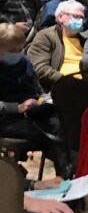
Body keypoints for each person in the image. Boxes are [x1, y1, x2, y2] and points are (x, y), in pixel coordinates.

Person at [0, 24, 69, 175]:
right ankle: (17, 174)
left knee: (61, 124)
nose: (18, 53)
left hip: (32, 112)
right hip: (6, 118)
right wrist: (17, 107)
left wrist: (44, 98)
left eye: (20, 49)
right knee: (49, 136)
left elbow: (36, 89)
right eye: (12, 51)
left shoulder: (24, 62)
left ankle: (65, 174)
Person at [28, 0, 88, 88]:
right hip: (60, 86)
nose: (80, 21)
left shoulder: (84, 40)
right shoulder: (46, 36)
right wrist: (67, 81)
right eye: (75, 16)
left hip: (86, 84)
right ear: (60, 17)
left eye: (81, 17)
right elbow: (41, 69)